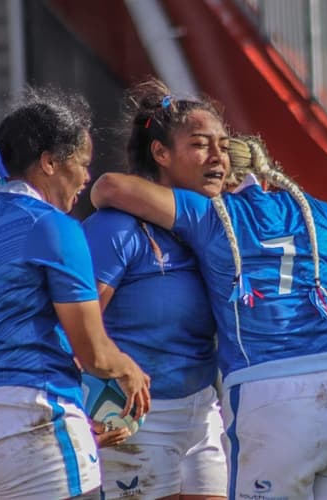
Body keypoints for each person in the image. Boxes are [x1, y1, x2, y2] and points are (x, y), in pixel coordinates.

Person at [90, 126, 327, 498]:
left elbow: (110, 187)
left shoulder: (211, 212)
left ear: (226, 176)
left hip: (271, 392)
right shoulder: (317, 212)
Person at [0, 85, 150, 500]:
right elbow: (93, 353)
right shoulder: (50, 226)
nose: (87, 178)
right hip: (30, 418)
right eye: (83, 164)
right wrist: (129, 371)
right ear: (50, 162)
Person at [81, 79, 228, 499]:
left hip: (203, 412)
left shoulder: (215, 230)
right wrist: (88, 405)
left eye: (223, 144)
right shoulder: (116, 227)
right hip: (132, 417)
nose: (218, 156)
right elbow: (71, 326)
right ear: (161, 153)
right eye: (201, 144)